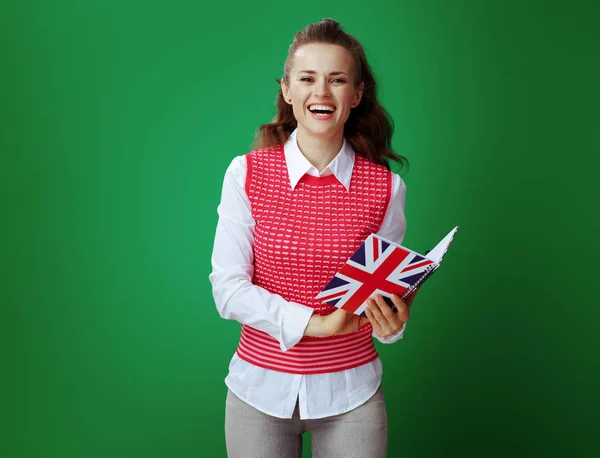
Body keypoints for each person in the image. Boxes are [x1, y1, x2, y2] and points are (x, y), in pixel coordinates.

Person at [209, 18, 418, 458]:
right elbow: (228, 290)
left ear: (356, 95)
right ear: (287, 89)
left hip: (352, 396)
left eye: (337, 80)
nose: (321, 92)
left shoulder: (386, 188)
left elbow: (382, 300)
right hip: (257, 393)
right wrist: (317, 325)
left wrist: (393, 324)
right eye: (308, 78)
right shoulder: (245, 173)